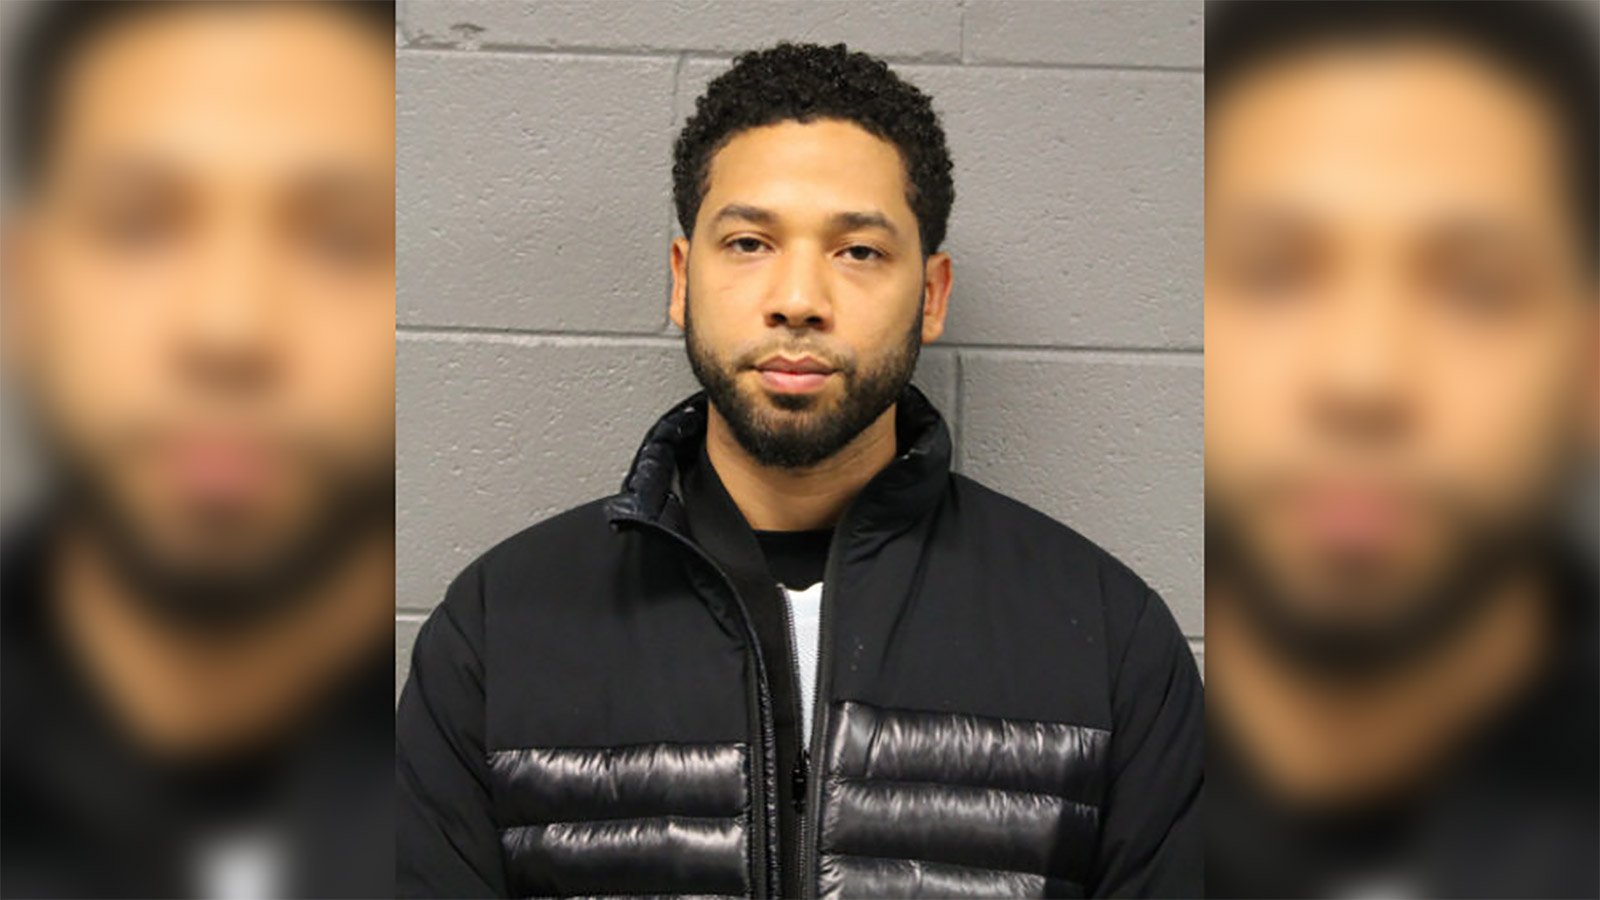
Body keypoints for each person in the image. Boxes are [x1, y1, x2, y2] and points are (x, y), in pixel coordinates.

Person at [396, 41, 1203, 899]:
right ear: (682, 280)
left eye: (858, 252)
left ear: (931, 296)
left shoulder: (1108, 644)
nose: (798, 300)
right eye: (749, 243)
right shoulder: (499, 633)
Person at [0, 2, 397, 896]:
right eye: (138, 224)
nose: (230, 328)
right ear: (25, 288)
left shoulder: (470, 725)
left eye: (342, 238)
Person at [1204, 2, 1599, 896]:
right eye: (1273, 272)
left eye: (1478, 288)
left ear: (1587, 367)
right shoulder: (1132, 757)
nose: (1364, 378)